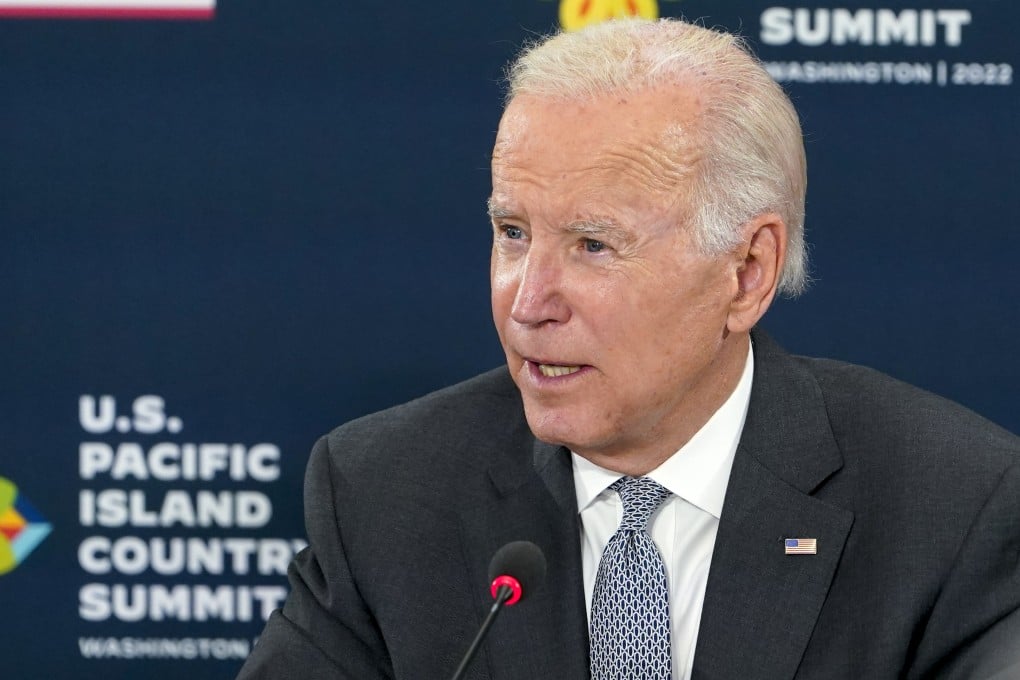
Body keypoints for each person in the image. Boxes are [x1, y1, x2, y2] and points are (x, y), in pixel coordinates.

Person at [236, 17, 1020, 680]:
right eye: (512, 233)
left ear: (747, 273)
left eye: (593, 245)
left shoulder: (953, 508)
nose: (527, 301)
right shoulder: (384, 494)